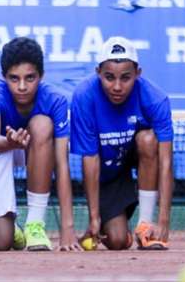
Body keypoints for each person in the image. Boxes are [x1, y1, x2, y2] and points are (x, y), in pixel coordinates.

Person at [0, 37, 80, 251]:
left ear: (41, 76)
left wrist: (68, 228)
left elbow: (61, 163)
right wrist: (10, 142)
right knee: (2, 241)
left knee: (41, 124)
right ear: (4, 77)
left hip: (37, 146)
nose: (22, 86)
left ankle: (34, 224)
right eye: (14, 79)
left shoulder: (55, 100)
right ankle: (9, 228)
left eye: (30, 78)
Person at [70, 36, 174, 250]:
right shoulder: (83, 96)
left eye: (125, 78)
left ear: (138, 73)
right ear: (98, 72)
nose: (117, 86)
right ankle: (123, 232)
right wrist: (94, 217)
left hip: (139, 158)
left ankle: (145, 226)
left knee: (148, 139)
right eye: (109, 77)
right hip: (108, 172)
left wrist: (163, 220)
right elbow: (90, 160)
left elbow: (165, 162)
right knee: (116, 241)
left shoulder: (156, 99)